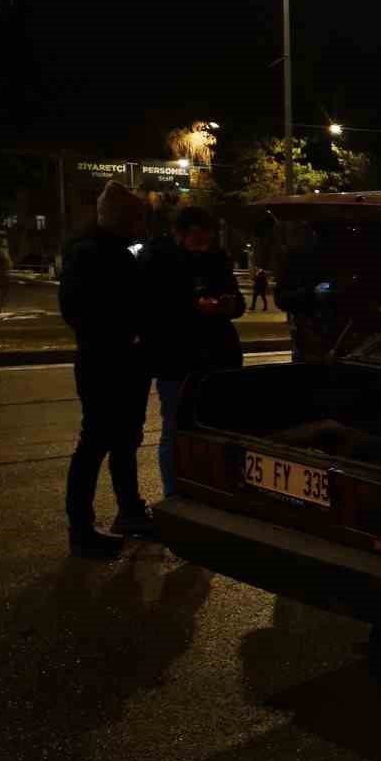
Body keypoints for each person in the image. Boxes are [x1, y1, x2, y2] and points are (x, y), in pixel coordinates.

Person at [59, 181, 153, 559]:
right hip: (106, 361)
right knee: (97, 441)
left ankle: (128, 511)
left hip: (122, 360)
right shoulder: (90, 253)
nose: (141, 225)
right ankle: (82, 528)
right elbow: (79, 310)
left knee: (124, 439)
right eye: (136, 218)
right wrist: (125, 331)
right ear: (121, 218)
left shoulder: (113, 251)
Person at [140, 207, 244, 498]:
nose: (203, 244)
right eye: (197, 237)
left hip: (219, 357)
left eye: (208, 238)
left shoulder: (217, 259)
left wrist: (229, 305)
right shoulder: (157, 259)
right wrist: (193, 307)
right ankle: (174, 494)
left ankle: (215, 490)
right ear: (179, 233)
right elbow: (152, 309)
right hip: (177, 359)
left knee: (220, 429)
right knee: (175, 429)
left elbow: (238, 302)